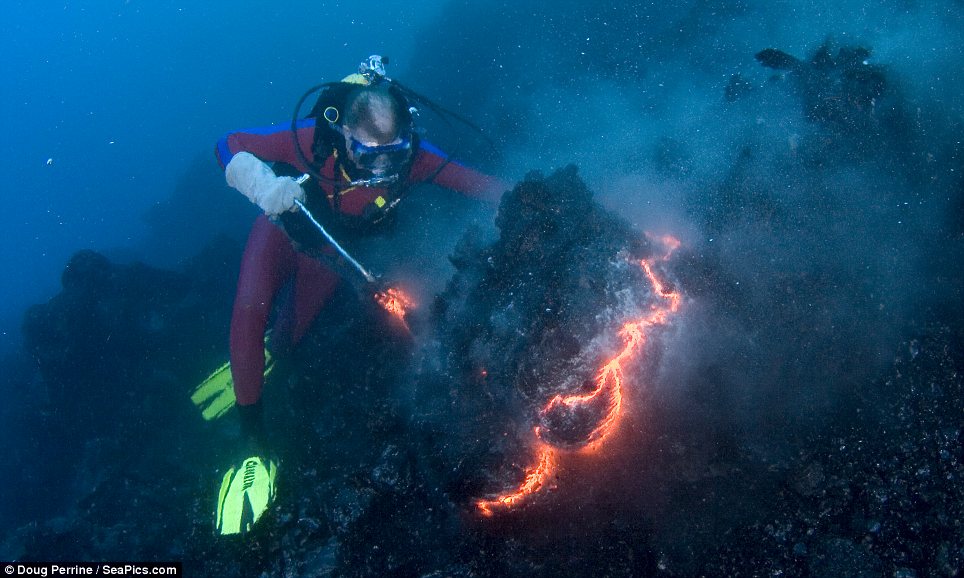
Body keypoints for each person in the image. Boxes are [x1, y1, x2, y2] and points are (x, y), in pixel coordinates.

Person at [210, 57, 505, 535]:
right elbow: (228, 144)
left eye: (395, 153)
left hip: (326, 256)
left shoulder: (414, 159)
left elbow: (480, 185)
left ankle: (266, 357)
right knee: (248, 313)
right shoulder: (312, 139)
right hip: (277, 233)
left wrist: (540, 198)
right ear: (345, 136)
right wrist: (260, 184)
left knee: (285, 338)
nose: (384, 170)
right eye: (369, 156)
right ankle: (251, 440)